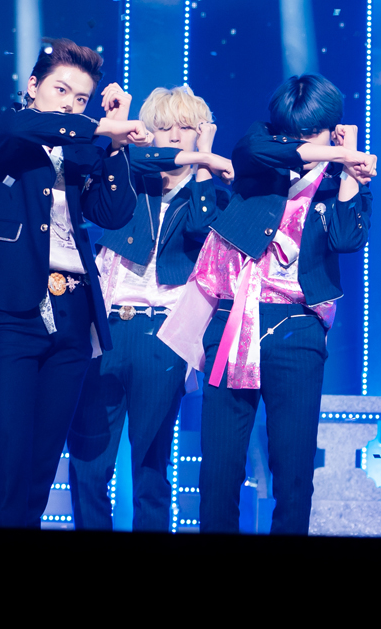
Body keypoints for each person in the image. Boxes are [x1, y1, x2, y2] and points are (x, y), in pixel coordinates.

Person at [0, 38, 150, 529]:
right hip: (10, 308)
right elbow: (23, 127)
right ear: (33, 85)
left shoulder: (81, 148)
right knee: (7, 460)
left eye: (81, 98)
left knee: (41, 464)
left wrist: (115, 145)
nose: (71, 104)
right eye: (61, 90)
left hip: (73, 310)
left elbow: (113, 213)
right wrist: (99, 125)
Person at [158, 73, 375, 536]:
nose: (300, 141)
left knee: (293, 472)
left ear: (333, 127)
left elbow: (345, 239)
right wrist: (338, 152)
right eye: (292, 132)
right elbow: (258, 149)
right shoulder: (261, 151)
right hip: (233, 318)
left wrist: (348, 174)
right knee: (219, 471)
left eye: (312, 132)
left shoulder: (338, 178)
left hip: (298, 328)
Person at [66, 84, 233, 532]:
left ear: (200, 132)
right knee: (88, 461)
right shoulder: (129, 180)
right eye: (164, 127)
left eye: (186, 128)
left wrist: (203, 162)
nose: (175, 136)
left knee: (151, 468)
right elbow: (122, 164)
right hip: (108, 329)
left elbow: (201, 228)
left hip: (164, 334)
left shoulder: (210, 193)